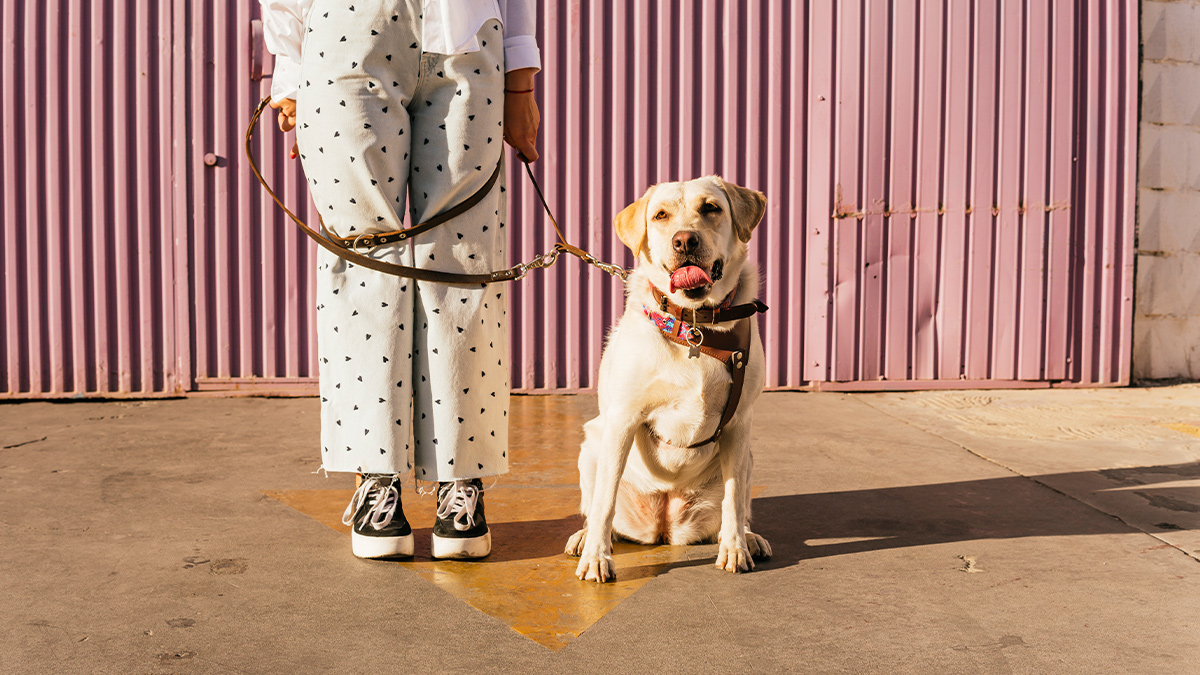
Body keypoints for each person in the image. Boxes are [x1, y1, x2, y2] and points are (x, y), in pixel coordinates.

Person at [259, 0, 540, 560]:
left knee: (464, 258)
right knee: (362, 252)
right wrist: (290, 70)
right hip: (344, 28)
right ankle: (376, 477)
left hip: (465, 32)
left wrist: (520, 79)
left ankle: (462, 481)